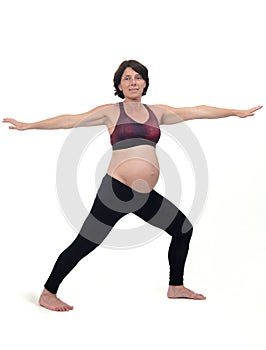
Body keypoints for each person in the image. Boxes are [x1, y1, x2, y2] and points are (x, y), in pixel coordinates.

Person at [3, 60, 262, 312]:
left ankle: (176, 286)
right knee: (84, 243)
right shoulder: (112, 112)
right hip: (116, 191)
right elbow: (71, 119)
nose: (133, 81)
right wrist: (29, 126)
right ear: (119, 85)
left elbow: (196, 110)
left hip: (144, 196)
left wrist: (233, 111)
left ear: (145, 82)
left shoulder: (157, 112)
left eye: (138, 77)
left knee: (182, 229)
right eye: (127, 78)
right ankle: (48, 293)